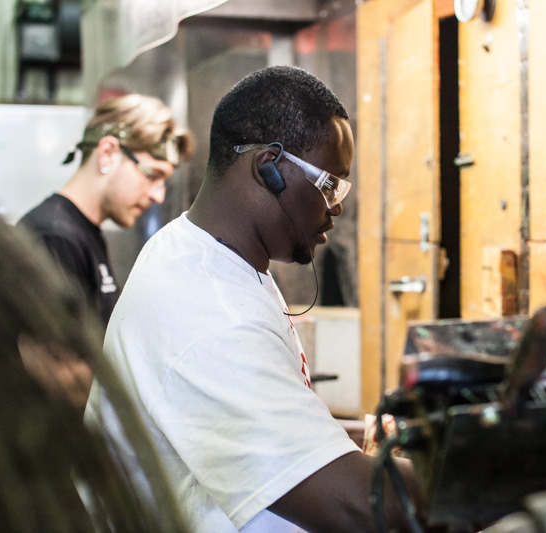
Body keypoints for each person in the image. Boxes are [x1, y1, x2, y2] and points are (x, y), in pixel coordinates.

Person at [85, 66, 424, 533]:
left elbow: (253, 427)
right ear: (270, 168)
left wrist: (351, 441)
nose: (337, 205)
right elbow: (358, 506)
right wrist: (487, 478)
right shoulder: (207, 310)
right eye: (330, 183)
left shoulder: (206, 255)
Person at [18, 94, 192, 411]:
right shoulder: (55, 236)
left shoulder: (84, 233)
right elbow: (57, 373)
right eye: (152, 175)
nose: (158, 194)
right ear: (108, 152)